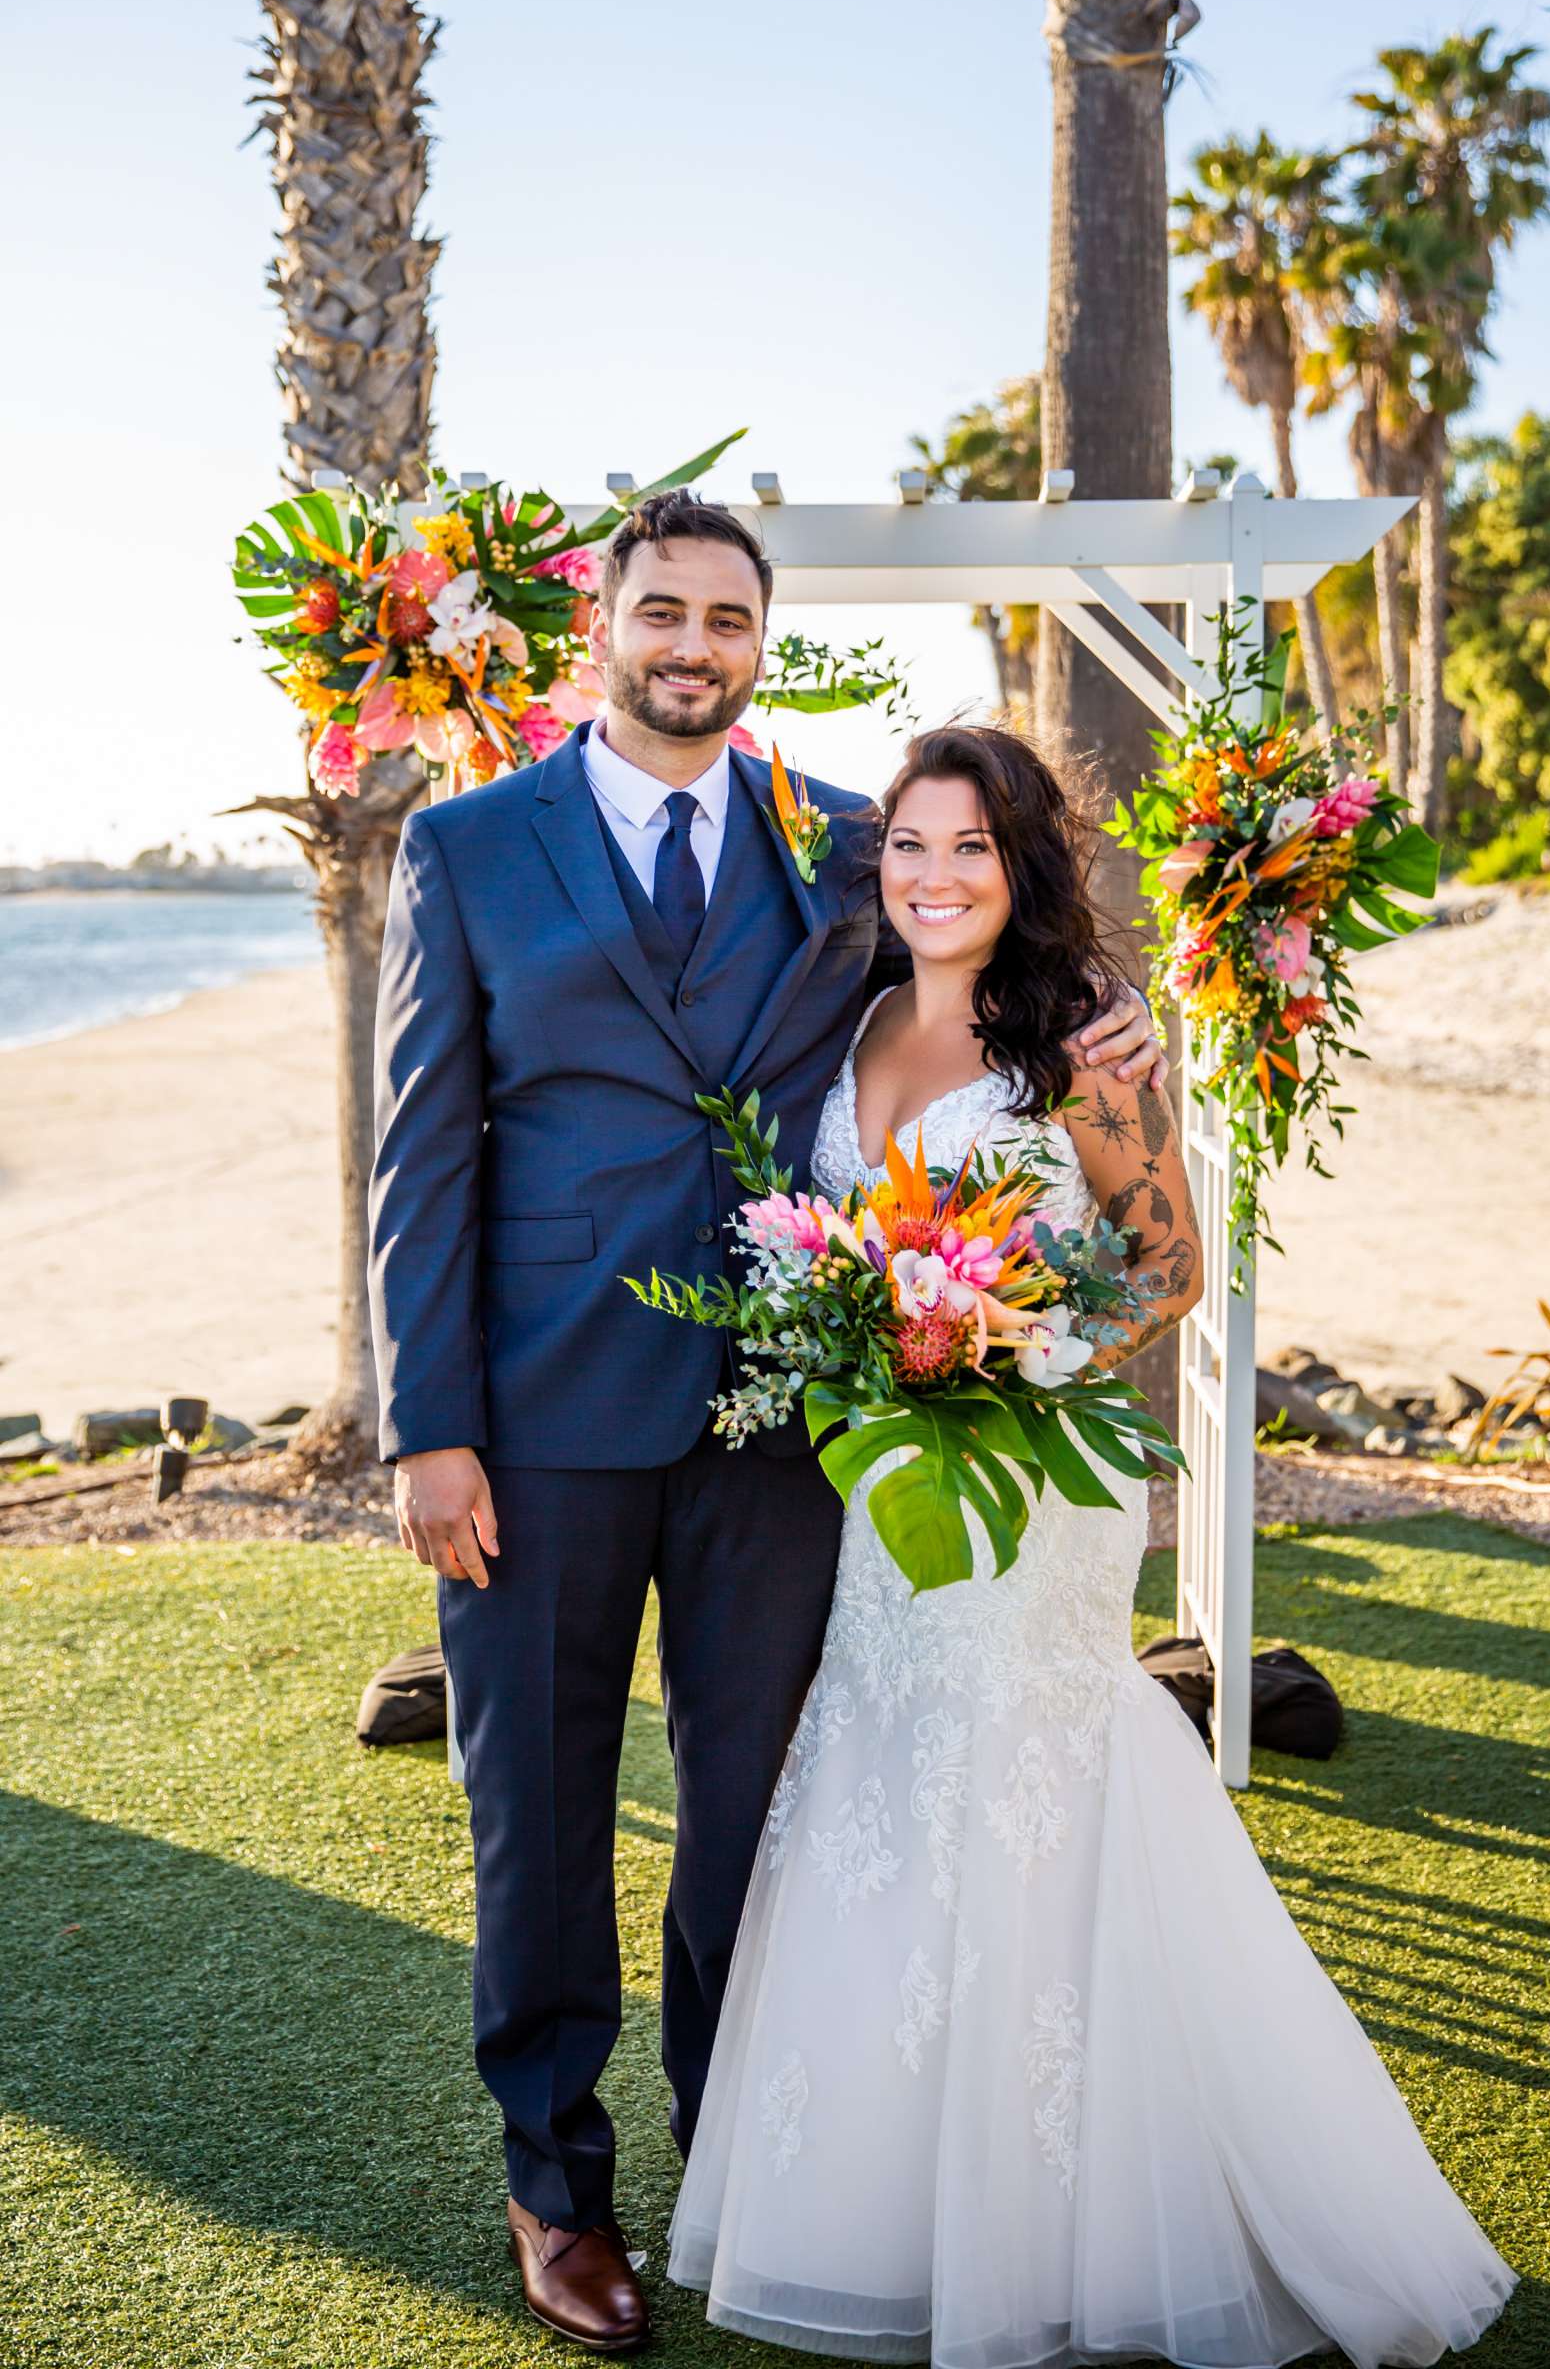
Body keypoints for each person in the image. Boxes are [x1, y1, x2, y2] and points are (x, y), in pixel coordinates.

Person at [366, 491, 1165, 2354]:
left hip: (785, 1432)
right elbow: (418, 1155)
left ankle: (739, 2154)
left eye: (729, 618)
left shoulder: (833, 845)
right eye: (664, 611)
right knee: (540, 1821)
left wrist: (1106, 1036)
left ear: (759, 641)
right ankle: (554, 2189)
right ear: (604, 627)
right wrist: (430, 1428)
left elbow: (974, 985)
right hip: (538, 1415)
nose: (694, 645)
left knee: (758, 1823)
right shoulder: (472, 848)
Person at [669, 723, 1517, 2369]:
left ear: (1020, 864)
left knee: (1032, 1769)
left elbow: (1170, 1267)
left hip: (1034, 1479)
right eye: (909, 845)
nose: (934, 876)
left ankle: (1078, 2202)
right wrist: (883, 1347)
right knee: (881, 1762)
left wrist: (1005, 1341)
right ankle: (888, 2197)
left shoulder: (1075, 1041)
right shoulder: (838, 1027)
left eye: (971, 848)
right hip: (886, 1482)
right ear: (879, 864)